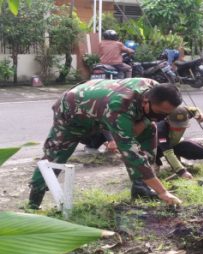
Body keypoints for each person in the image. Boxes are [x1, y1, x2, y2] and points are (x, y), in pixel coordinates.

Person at [28, 78, 183, 209]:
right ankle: (33, 203)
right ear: (147, 102)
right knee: (55, 157)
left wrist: (148, 120)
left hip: (102, 109)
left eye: (167, 113)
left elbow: (147, 121)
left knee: (150, 129)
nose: (164, 116)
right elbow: (130, 152)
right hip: (72, 113)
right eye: (161, 112)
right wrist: (162, 192)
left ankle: (141, 188)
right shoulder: (120, 106)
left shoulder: (155, 89)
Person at [156, 106, 203, 179]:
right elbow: (168, 152)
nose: (179, 128)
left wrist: (199, 116)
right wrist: (182, 172)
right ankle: (161, 163)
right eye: (176, 125)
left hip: (175, 144)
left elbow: (195, 109)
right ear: (167, 120)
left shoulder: (184, 113)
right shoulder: (161, 129)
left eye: (182, 125)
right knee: (153, 173)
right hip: (156, 149)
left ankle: (176, 161)